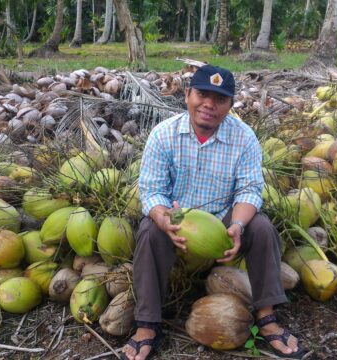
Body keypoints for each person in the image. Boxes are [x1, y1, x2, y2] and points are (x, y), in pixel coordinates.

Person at [120, 65, 308, 360]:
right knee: (149, 229)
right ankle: (147, 324)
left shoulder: (244, 138)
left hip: (222, 219)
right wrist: (163, 216)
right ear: (187, 96)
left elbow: (249, 191)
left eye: (219, 99)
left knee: (261, 227)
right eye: (202, 94)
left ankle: (267, 316)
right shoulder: (163, 135)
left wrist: (237, 225)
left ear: (230, 105)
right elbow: (152, 191)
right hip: (179, 220)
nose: (209, 104)